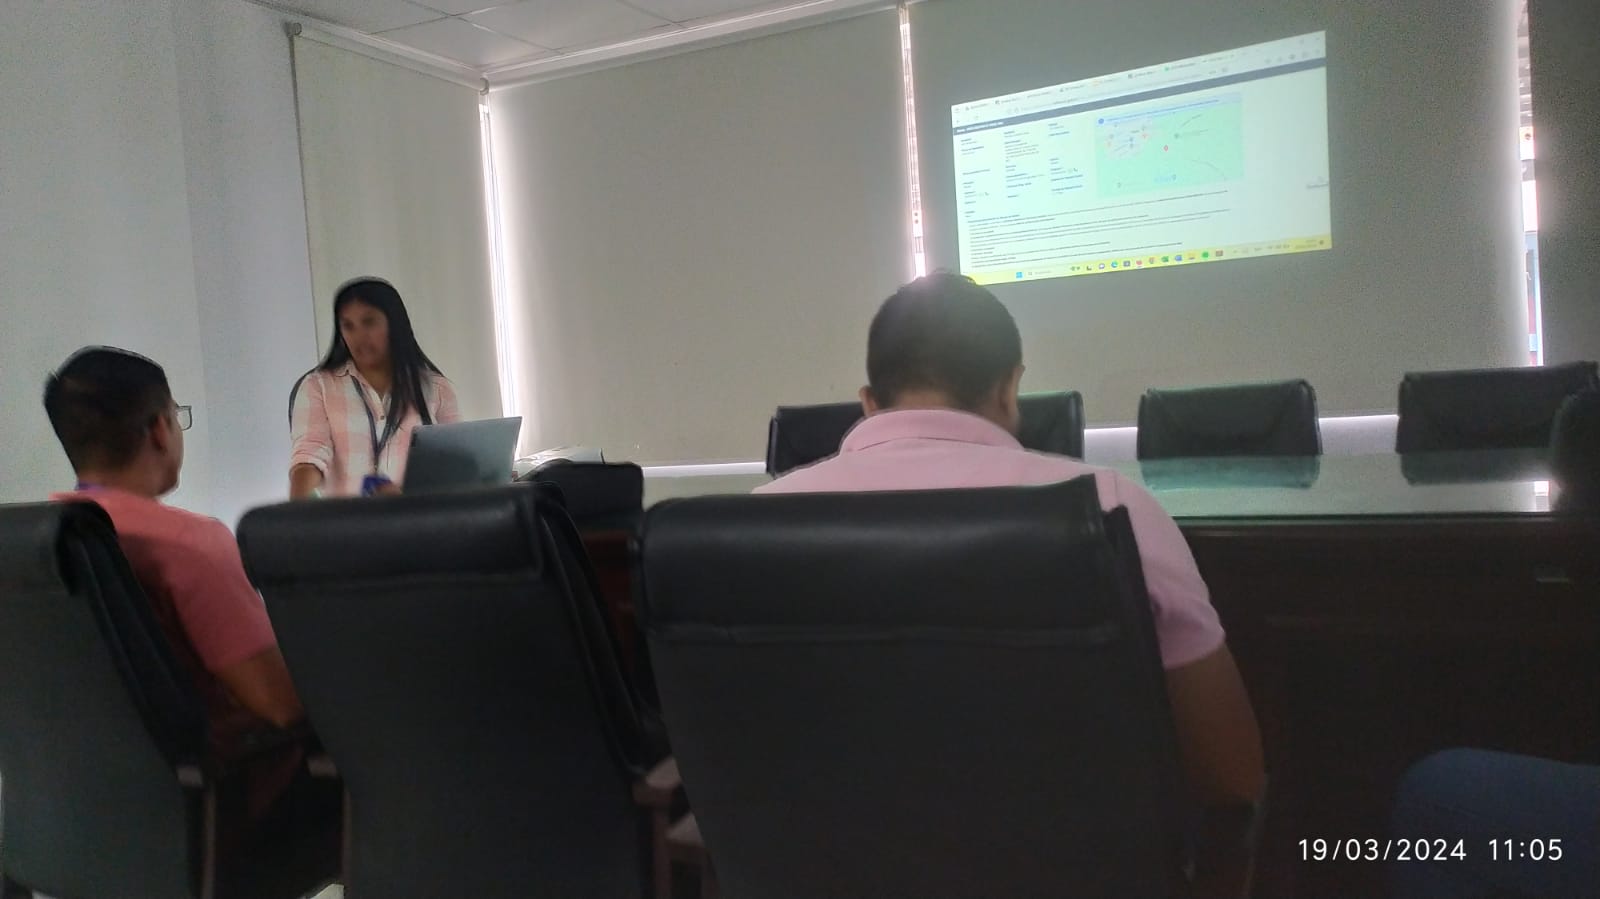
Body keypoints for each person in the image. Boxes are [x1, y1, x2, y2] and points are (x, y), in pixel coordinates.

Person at [758, 272, 1265, 815]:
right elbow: (1232, 776)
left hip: (817, 854)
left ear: (868, 402)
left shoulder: (756, 524)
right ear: (1009, 387)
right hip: (1072, 852)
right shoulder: (1112, 508)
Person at [43, 346, 306, 817]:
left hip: (76, 812)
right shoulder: (189, 545)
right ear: (160, 430)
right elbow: (281, 705)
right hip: (220, 807)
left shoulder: (36, 541)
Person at [289, 277, 460, 498]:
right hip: (348, 518)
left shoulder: (437, 389)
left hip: (418, 516)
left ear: (394, 325)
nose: (359, 336)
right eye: (348, 326)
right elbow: (310, 454)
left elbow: (454, 467)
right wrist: (297, 510)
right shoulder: (318, 386)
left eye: (369, 322)